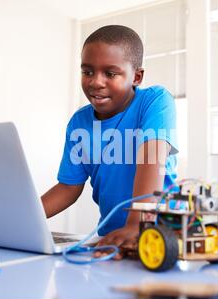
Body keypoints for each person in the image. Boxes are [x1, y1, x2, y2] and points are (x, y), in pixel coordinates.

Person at [41, 25, 178, 259]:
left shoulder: (155, 100)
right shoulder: (79, 122)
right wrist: (21, 218)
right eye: (88, 72)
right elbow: (69, 187)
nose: (96, 82)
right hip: (112, 239)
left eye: (110, 74)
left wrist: (137, 223)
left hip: (160, 236)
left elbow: (152, 158)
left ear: (136, 77)